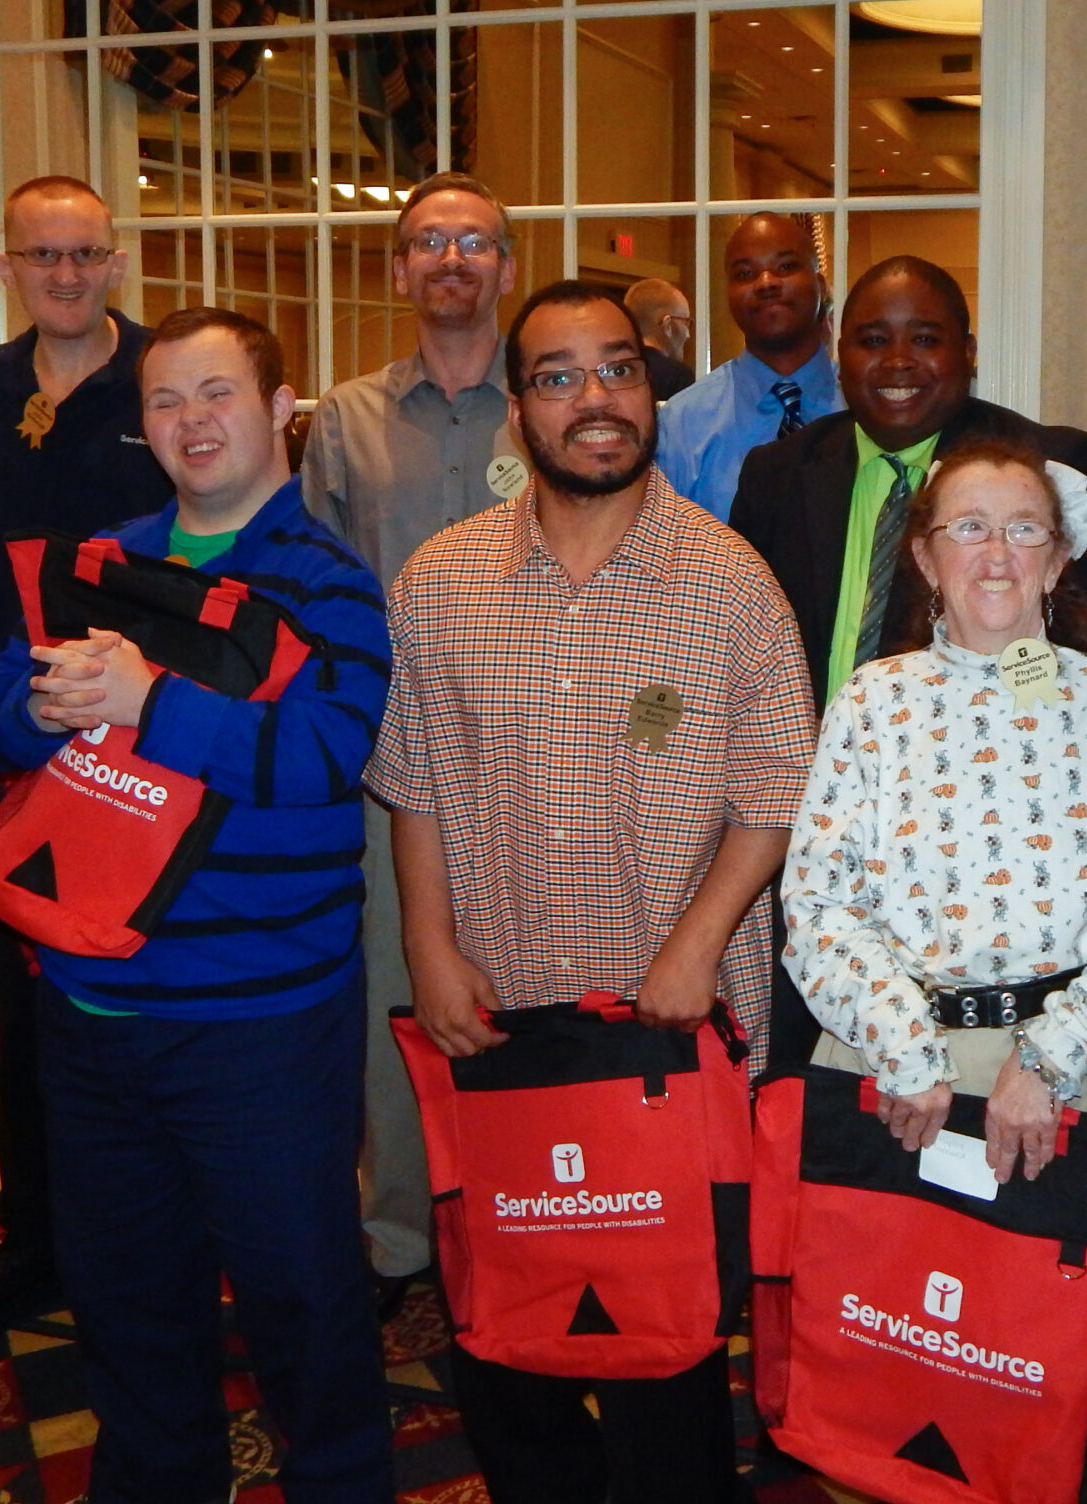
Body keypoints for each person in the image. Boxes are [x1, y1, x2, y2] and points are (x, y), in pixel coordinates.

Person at [368, 279, 816, 1504]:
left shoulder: (731, 584)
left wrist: (695, 942)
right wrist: (427, 941)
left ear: (649, 389)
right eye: (558, 377)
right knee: (507, 1335)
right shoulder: (439, 581)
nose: (595, 399)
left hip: (663, 1030)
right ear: (520, 412)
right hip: (500, 1018)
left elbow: (777, 791)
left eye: (616, 369)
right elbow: (414, 780)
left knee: (662, 1349)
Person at [0, 306, 393, 1504]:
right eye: (165, 400)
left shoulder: (328, 582)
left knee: (301, 1300)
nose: (191, 421)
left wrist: (150, 700)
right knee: (127, 1302)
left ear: (277, 409)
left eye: (217, 394)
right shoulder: (97, 560)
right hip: (90, 1006)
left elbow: (327, 754)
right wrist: (36, 712)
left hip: (259, 1023)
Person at [781, 437, 1087, 1449]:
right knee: (909, 1364)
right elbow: (820, 904)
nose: (995, 552)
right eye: (966, 526)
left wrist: (1048, 1061)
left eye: (1023, 529)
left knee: (1072, 1382)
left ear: (1058, 561)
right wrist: (906, 1047)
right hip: (901, 1072)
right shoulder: (871, 703)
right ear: (925, 557)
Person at [731, 254, 1087, 1065]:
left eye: (927, 338)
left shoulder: (1043, 468)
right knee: (819, 1090)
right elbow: (746, 650)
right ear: (839, 354)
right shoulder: (776, 473)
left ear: (968, 351)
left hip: (979, 855)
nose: (899, 362)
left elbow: (1083, 651)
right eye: (874, 339)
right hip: (812, 837)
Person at [0, 173, 170, 1341]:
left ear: (116, 263)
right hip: (16, 748)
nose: (64, 274)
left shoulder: (164, 378)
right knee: (25, 1012)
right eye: (40, 256)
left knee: (142, 995)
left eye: (84, 254)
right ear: (4, 264)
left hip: (146, 750)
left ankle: (163, 1234)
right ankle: (36, 1238)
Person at [299, 168, 525, 1317]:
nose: (451, 259)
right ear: (398, 270)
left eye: (474, 241)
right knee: (397, 993)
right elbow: (314, 591)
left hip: (536, 754)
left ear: (505, 267)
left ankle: (518, 1216)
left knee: (528, 991)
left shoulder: (547, 404)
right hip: (392, 767)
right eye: (428, 241)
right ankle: (395, 1233)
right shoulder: (345, 419)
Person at [657, 212, 839, 522]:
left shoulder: (866, 407)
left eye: (786, 266)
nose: (766, 283)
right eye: (745, 274)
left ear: (820, 286)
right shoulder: (682, 422)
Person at [625, 276, 695, 400]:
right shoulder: (677, 376)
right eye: (686, 322)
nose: (688, 334)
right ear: (667, 325)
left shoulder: (615, 370)